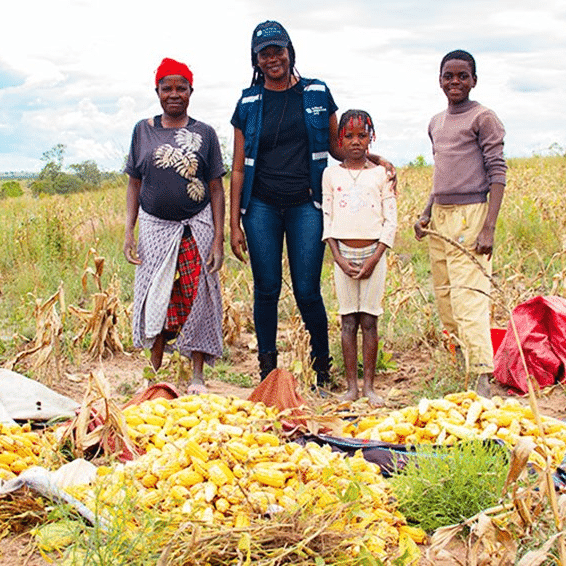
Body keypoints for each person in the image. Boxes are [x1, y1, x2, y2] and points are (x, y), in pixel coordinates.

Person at [229, 20, 395, 389]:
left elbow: (339, 148)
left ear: (290, 51)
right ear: (256, 59)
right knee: (267, 287)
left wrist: (377, 159)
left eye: (278, 50)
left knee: (307, 289)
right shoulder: (248, 102)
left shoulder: (317, 92)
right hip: (260, 207)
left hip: (307, 204)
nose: (273, 58)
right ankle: (267, 371)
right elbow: (238, 167)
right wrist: (234, 223)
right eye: (265, 53)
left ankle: (322, 366)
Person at [124, 57, 226, 395]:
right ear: (157, 91)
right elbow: (134, 183)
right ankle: (154, 371)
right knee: (156, 293)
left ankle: (197, 375)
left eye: (181, 87)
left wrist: (218, 239)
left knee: (199, 293)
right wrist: (129, 229)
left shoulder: (205, 134)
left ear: (191, 92)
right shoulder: (143, 130)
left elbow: (215, 186)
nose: (174, 94)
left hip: (197, 223)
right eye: (167, 87)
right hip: (154, 225)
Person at [413, 49, 506, 398]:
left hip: (472, 214)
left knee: (470, 299)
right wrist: (426, 213)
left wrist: (489, 227)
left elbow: (497, 172)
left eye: (462, 76)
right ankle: (460, 364)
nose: (455, 82)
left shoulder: (484, 118)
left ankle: (482, 377)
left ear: (474, 81)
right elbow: (442, 176)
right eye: (448, 76)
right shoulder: (436, 122)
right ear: (439, 80)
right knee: (446, 297)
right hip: (441, 217)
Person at [322, 110, 397, 406]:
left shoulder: (381, 174)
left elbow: (390, 219)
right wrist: (338, 257)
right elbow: (327, 217)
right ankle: (351, 387)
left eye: (362, 136)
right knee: (348, 320)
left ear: (371, 138)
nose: (356, 142)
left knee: (369, 320)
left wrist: (375, 257)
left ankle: (369, 387)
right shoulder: (331, 174)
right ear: (340, 138)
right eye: (349, 136)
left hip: (373, 255)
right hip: (345, 255)